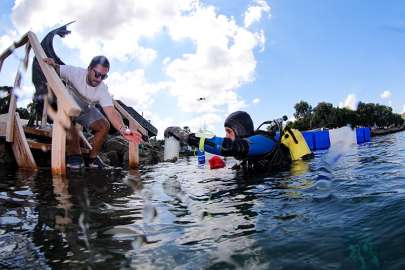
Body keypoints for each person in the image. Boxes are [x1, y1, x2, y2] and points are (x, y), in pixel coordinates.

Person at [43, 56, 142, 169]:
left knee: (104, 125)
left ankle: (93, 159)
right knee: (69, 116)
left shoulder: (102, 89)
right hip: (67, 108)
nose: (99, 79)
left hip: (85, 111)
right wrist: (52, 63)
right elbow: (55, 68)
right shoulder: (74, 72)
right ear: (89, 69)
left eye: (103, 76)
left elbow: (111, 111)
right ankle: (74, 155)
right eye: (97, 74)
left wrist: (123, 129)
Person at [165, 111, 314, 171]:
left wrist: (185, 136)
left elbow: (230, 147)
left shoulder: (264, 142)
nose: (226, 136)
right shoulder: (246, 157)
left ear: (241, 130)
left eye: (229, 131)